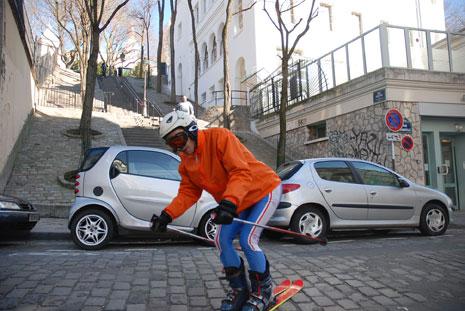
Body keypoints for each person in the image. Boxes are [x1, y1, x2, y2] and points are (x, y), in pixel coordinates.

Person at [151, 110, 282, 311]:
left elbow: (240, 172)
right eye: (172, 143)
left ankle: (263, 292)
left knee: (248, 239)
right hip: (237, 200)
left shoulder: (220, 137)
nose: (179, 147)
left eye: (179, 139)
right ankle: (240, 290)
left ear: (192, 130)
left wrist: (228, 203)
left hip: (263, 189)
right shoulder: (186, 163)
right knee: (220, 239)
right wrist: (167, 215)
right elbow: (188, 193)